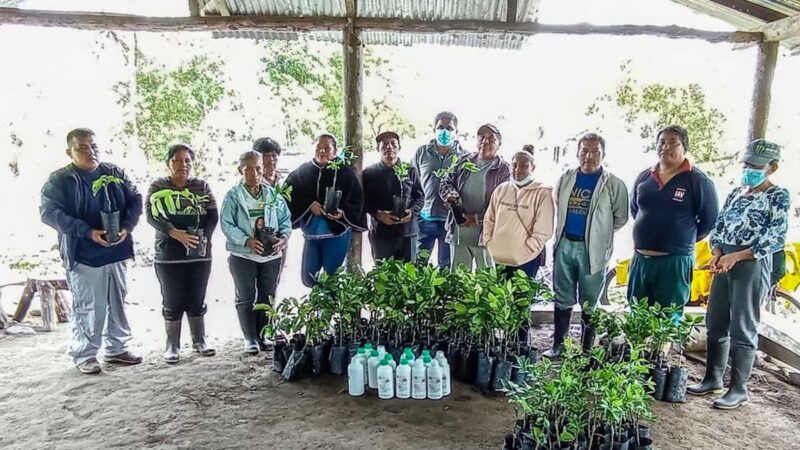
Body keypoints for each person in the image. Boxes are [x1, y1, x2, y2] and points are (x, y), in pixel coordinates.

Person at [688, 139, 790, 409]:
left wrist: (737, 256)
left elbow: (775, 237)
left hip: (752, 262)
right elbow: (719, 226)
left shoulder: (777, 196)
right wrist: (719, 251)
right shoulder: (736, 193)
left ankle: (739, 388)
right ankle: (712, 378)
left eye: (756, 166)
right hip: (725, 260)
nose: (749, 169)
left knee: (743, 324)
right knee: (716, 319)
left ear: (772, 167)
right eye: (746, 164)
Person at [40, 128, 143, 374]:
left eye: (94, 146)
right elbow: (49, 213)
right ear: (70, 152)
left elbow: (136, 199)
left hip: (116, 250)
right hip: (84, 254)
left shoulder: (114, 173)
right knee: (89, 305)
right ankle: (84, 353)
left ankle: (116, 348)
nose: (90, 152)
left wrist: (127, 227)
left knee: (117, 302)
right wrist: (87, 232)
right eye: (82, 148)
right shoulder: (60, 180)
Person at [544, 133, 629, 359]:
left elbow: (620, 217)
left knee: (590, 300)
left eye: (595, 152)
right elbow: (557, 204)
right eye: (584, 151)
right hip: (565, 244)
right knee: (562, 295)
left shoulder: (613, 184)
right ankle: (558, 345)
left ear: (603, 154)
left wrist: (599, 234)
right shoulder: (566, 178)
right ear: (577, 152)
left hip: (592, 250)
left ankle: (586, 349)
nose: (588, 156)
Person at [628, 125, 719, 310]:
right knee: (637, 315)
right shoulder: (645, 176)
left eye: (673, 143)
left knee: (667, 318)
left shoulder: (697, 180)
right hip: (641, 259)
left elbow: (709, 220)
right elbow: (635, 209)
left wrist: (682, 237)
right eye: (662, 142)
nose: (666, 147)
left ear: (684, 147)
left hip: (675, 261)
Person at [146, 144, 218, 363]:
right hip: (169, 254)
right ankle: (172, 345)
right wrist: (174, 233)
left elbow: (212, 215)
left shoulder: (201, 186)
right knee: (173, 298)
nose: (182, 165)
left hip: (199, 253)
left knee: (197, 296)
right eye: (177, 160)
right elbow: (151, 215)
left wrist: (203, 237)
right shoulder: (158, 186)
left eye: (187, 161)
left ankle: (200, 341)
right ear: (168, 163)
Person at [221, 151, 290, 355]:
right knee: (246, 295)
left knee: (267, 294)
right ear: (241, 170)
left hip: (270, 255)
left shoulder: (272, 194)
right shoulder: (234, 195)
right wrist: (246, 241)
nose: (254, 173)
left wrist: (283, 238)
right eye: (249, 168)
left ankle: (264, 334)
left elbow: (285, 219)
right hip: (243, 255)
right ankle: (250, 338)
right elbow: (227, 224)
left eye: (258, 168)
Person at [285, 134, 365, 287]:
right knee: (309, 279)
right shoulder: (302, 172)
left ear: (335, 151)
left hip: (336, 234)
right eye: (318, 148)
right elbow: (288, 196)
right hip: (312, 236)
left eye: (327, 148)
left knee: (331, 278)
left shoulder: (344, 173)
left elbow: (356, 200)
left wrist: (342, 213)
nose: (322, 152)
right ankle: (319, 306)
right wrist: (310, 206)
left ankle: (329, 309)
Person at [440, 123, 510, 271]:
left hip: (485, 234)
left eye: (491, 138)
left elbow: (504, 204)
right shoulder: (464, 161)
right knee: (458, 278)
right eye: (482, 137)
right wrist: (450, 195)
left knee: (485, 280)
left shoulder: (504, 170)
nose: (485, 141)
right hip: (459, 231)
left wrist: (477, 218)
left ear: (499, 144)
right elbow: (446, 181)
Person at [483, 147, 553, 278]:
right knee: (499, 296)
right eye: (514, 165)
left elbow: (544, 228)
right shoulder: (501, 189)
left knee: (522, 297)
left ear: (533, 167)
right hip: (499, 257)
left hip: (527, 259)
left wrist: (529, 247)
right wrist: (488, 241)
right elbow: (489, 219)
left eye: (524, 166)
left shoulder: (542, 192)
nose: (517, 170)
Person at [412, 111, 465, 268]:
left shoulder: (464, 157)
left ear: (456, 132)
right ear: (434, 129)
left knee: (446, 265)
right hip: (424, 218)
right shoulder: (422, 152)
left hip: (449, 221)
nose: (444, 132)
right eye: (440, 127)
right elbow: (413, 182)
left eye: (449, 128)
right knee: (418, 264)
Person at [363, 131, 425, 262]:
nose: (389, 147)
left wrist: (412, 212)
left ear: (399, 148)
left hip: (408, 233)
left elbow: (420, 197)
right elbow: (363, 201)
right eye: (384, 144)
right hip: (381, 233)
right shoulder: (369, 173)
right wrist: (378, 214)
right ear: (378, 149)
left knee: (408, 276)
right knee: (384, 277)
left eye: (393, 144)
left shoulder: (410, 170)